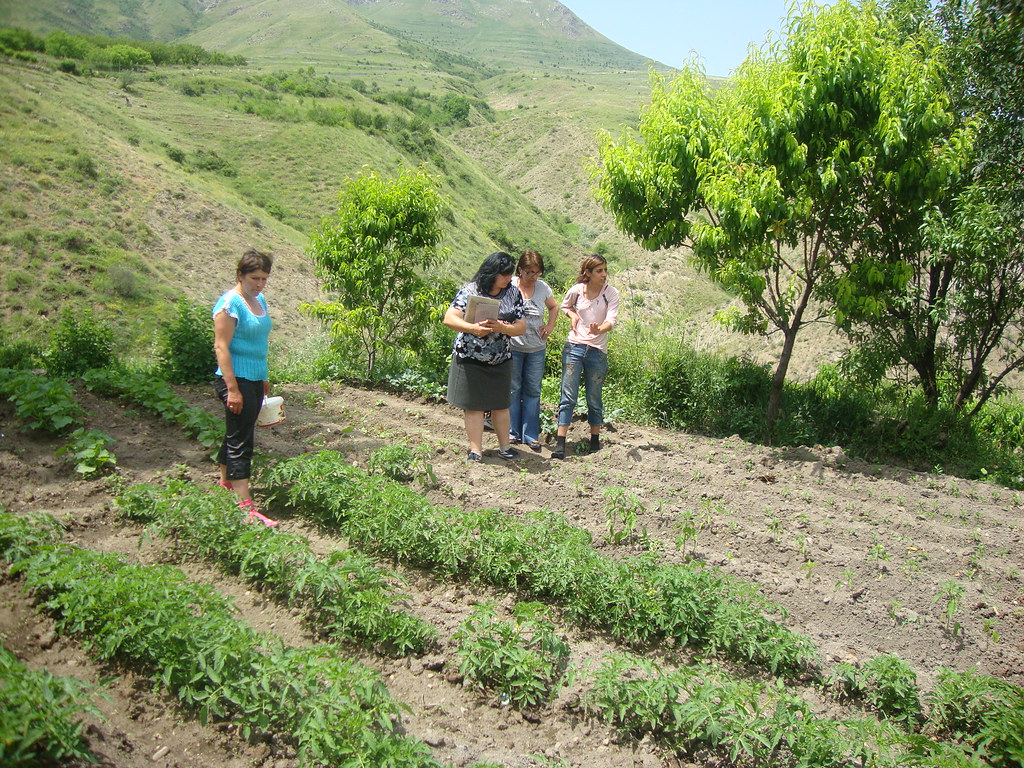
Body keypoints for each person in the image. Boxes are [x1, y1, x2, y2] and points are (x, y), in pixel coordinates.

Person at [213, 249, 278, 526]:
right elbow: (221, 346)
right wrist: (233, 389)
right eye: (255, 278)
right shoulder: (230, 304)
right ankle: (246, 507)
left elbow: (258, 343)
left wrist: (263, 377)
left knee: (236, 431)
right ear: (240, 275)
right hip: (235, 379)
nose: (260, 284)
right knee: (242, 440)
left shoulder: (258, 300)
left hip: (253, 378)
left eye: (264, 278)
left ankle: (225, 483)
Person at [444, 252, 526, 462]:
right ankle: (476, 450)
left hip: (500, 357)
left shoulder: (513, 293)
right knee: (474, 405)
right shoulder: (470, 290)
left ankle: (505, 447)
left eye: (509, 274)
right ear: (492, 273)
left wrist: (502, 327)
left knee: (501, 404)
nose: (508, 279)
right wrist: (472, 328)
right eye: (504, 274)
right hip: (470, 356)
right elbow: (450, 318)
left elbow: (521, 326)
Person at [551, 254, 619, 460]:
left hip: (597, 351)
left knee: (594, 397)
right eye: (599, 271)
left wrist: (599, 329)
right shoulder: (577, 290)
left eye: (605, 270)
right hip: (574, 346)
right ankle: (560, 443)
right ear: (588, 273)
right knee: (568, 394)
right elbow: (565, 306)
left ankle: (594, 441)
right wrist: (573, 315)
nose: (604, 274)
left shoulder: (611, 293)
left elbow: (611, 320)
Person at [508, 250, 558, 450]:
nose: (533, 276)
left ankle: (530, 435)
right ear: (520, 270)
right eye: (529, 272)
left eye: (537, 272)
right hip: (513, 346)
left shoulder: (543, 288)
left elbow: (554, 307)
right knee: (513, 389)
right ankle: (512, 432)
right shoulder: (510, 285)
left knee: (533, 390)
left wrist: (550, 325)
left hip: (537, 347)